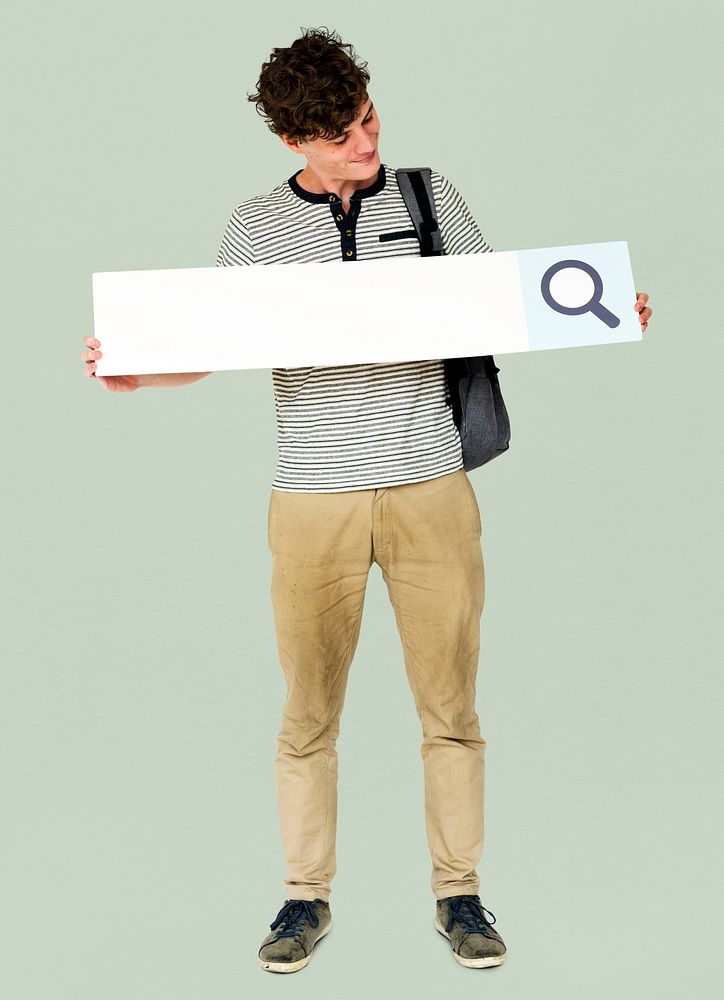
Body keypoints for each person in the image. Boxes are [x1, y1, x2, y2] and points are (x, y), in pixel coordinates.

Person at [81, 26, 653, 974]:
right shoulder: (257, 228)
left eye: (369, 118)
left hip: (432, 486)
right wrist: (137, 376)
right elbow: (210, 345)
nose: (364, 142)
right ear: (291, 143)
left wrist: (605, 310)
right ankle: (305, 899)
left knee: (452, 706)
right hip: (313, 500)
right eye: (341, 132)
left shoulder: (431, 199)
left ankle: (458, 893)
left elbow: (504, 304)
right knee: (307, 713)